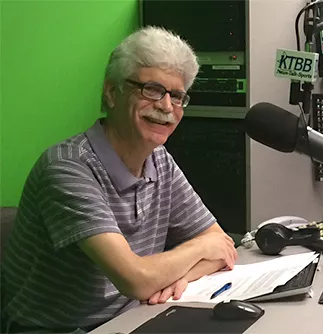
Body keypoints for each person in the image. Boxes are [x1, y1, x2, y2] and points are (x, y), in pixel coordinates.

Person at [0, 26, 238, 333]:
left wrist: (179, 278)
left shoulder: (159, 160)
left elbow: (223, 246)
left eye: (177, 96)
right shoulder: (66, 168)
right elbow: (136, 279)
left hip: (134, 317)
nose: (166, 107)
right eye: (151, 90)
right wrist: (197, 251)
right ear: (112, 93)